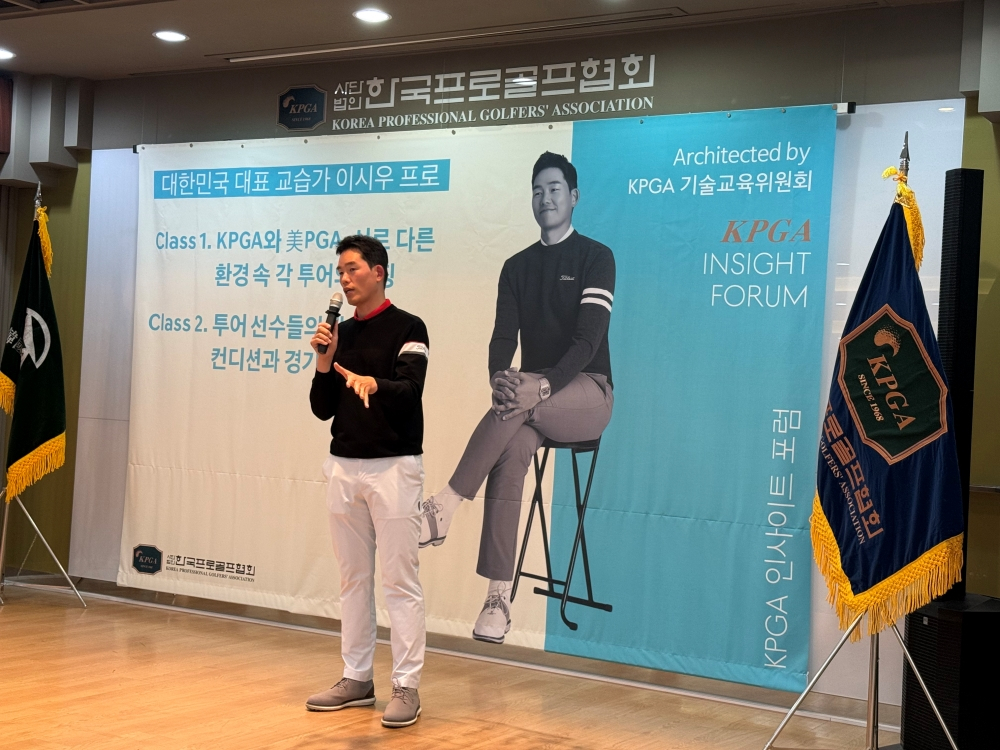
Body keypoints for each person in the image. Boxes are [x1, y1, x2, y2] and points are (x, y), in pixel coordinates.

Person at [419, 151, 615, 643]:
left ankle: (445, 505)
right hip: (530, 398)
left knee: (519, 403)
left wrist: (540, 386)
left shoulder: (596, 257)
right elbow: (503, 337)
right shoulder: (516, 266)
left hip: (588, 392)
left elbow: (587, 343)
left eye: (555, 189)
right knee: (511, 452)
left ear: (574, 196)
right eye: (537, 190)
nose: (545, 198)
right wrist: (498, 378)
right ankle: (498, 598)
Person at [305, 235, 430, 728]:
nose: (344, 279)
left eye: (353, 269)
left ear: (379, 272)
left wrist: (375, 383)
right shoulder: (342, 333)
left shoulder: (409, 326)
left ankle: (406, 685)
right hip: (343, 466)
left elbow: (411, 390)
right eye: (340, 271)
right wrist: (324, 360)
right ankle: (356, 677)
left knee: (399, 581)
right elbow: (321, 409)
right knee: (353, 579)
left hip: (394, 467)